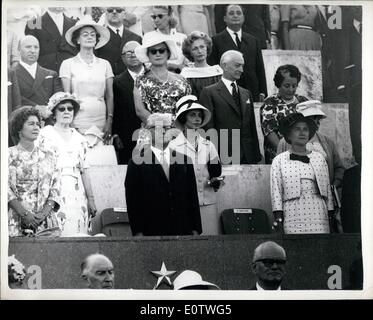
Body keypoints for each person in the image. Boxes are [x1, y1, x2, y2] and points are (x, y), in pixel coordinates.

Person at [125, 113, 202, 236]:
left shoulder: (185, 160)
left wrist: (196, 229)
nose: (165, 132)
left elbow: (192, 197)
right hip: (152, 231)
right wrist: (138, 232)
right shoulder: (136, 163)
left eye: (168, 128)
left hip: (182, 230)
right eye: (159, 128)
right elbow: (133, 202)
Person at [37, 92, 97, 236]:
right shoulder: (44, 135)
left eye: (70, 109)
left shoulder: (80, 139)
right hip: (53, 192)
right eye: (61, 109)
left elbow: (85, 171)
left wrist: (91, 199)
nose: (66, 112)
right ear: (53, 112)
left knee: (77, 231)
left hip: (77, 193)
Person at [271, 113, 335, 234]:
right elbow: (276, 193)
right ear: (289, 134)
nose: (302, 133)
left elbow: (327, 190)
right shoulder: (279, 160)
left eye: (305, 129)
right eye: (297, 129)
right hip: (292, 213)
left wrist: (330, 215)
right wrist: (278, 219)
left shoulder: (319, 158)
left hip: (318, 213)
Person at [169, 95, 223, 235]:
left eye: (199, 115)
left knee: (210, 239)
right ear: (183, 118)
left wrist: (216, 181)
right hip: (184, 204)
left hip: (207, 201)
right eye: (192, 115)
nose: (197, 118)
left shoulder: (208, 144)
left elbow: (216, 171)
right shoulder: (174, 146)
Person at [200, 50, 262, 164]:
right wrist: (213, 157)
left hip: (247, 155)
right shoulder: (209, 92)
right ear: (225, 66)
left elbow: (252, 127)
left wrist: (255, 155)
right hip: (224, 155)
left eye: (242, 66)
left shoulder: (246, 93)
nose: (241, 70)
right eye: (237, 65)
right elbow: (208, 128)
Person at [8, 106, 61, 237]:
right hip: (16, 218)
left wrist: (43, 214)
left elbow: (56, 186)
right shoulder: (8, 154)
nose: (36, 127)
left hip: (44, 221)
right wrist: (25, 214)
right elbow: (5, 189)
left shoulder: (49, 155)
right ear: (19, 128)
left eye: (38, 124)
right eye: (31, 124)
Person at [61, 16, 114, 141]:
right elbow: (66, 96)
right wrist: (71, 123)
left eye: (92, 35)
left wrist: (109, 122)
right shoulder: (67, 64)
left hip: (100, 118)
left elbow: (110, 96)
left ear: (96, 39)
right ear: (77, 40)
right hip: (78, 119)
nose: (90, 37)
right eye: (85, 34)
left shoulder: (105, 64)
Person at [277, 100, 345, 188]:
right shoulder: (285, 142)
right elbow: (278, 171)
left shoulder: (327, 142)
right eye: (312, 118)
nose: (316, 122)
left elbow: (339, 168)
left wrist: (334, 184)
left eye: (318, 118)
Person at [208, 4, 267, 102]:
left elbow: (259, 68)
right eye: (231, 13)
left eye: (238, 13)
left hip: (251, 91)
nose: (235, 16)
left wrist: (262, 91)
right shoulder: (216, 41)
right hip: (227, 92)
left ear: (243, 17)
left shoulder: (253, 40)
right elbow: (214, 70)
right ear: (224, 18)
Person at [133, 32, 191, 124]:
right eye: (153, 51)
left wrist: (177, 128)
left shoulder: (181, 80)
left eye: (161, 50)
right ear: (148, 55)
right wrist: (163, 128)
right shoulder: (140, 80)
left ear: (168, 53)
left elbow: (188, 108)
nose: (158, 54)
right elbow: (140, 111)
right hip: (153, 132)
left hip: (180, 130)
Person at [260, 64, 308, 164]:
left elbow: (312, 126)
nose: (291, 89)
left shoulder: (303, 101)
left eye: (294, 86)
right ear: (278, 84)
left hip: (303, 154)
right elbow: (269, 132)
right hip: (280, 156)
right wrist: (289, 153)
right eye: (286, 86)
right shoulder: (270, 103)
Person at [113, 41, 144, 164]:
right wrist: (115, 134)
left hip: (154, 133)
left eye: (136, 52)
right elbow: (115, 109)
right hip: (128, 135)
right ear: (122, 58)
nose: (133, 55)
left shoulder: (153, 76)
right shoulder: (117, 82)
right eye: (128, 53)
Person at [12, 36, 63, 108]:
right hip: (24, 117)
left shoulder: (51, 74)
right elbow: (14, 99)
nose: (33, 51)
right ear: (19, 50)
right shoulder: (11, 74)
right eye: (28, 47)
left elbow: (59, 99)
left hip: (48, 116)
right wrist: (37, 108)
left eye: (36, 47)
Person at [25, 7, 77, 72]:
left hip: (71, 72)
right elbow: (30, 54)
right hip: (46, 73)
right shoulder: (34, 23)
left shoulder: (75, 23)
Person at [95, 7, 142, 76]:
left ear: (124, 14)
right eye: (110, 10)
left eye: (119, 10)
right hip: (106, 80)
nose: (114, 12)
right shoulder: (98, 38)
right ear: (106, 14)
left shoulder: (136, 38)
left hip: (129, 83)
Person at [180, 31, 223, 98]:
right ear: (190, 52)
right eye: (195, 48)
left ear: (207, 48)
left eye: (202, 47)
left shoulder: (217, 72)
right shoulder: (186, 75)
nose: (199, 51)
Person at [145, 6, 188, 73]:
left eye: (160, 16)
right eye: (154, 17)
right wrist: (173, 66)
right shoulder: (149, 37)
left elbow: (188, 63)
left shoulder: (182, 37)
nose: (156, 20)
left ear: (170, 15)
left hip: (181, 76)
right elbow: (147, 64)